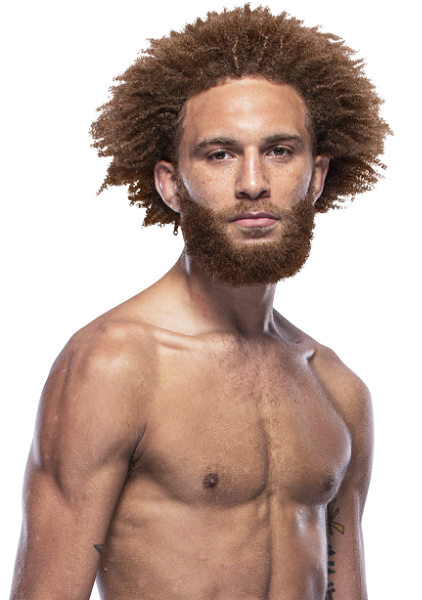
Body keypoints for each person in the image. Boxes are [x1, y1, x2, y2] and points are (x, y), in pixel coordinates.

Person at [10, 5, 391, 600]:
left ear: (316, 176)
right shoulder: (116, 365)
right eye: (220, 154)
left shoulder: (338, 390)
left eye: (279, 150)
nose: (253, 182)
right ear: (170, 183)